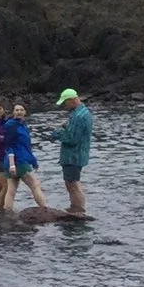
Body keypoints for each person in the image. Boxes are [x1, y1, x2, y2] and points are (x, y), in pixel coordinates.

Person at [54, 88, 93, 216]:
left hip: (73, 156)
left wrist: (57, 133)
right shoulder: (83, 112)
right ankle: (77, 208)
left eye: (65, 103)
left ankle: (77, 210)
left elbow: (71, 139)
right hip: (79, 154)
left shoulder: (78, 116)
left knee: (72, 184)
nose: (64, 106)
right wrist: (66, 127)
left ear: (71, 100)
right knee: (73, 182)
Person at [4, 101, 50, 210]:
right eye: (17, 110)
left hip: (21, 160)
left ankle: (8, 214)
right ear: (13, 112)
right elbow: (8, 145)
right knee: (35, 185)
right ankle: (45, 208)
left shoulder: (23, 125)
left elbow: (27, 146)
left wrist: (34, 161)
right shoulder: (10, 125)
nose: (19, 112)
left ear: (25, 112)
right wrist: (12, 164)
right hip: (18, 162)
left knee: (11, 190)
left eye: (21, 110)